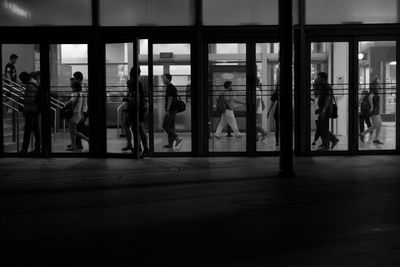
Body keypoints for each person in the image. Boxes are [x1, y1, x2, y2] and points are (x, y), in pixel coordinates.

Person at [123, 67, 149, 157]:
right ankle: (139, 148)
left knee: (139, 129)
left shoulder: (136, 84)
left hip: (137, 110)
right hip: (138, 109)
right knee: (137, 129)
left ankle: (144, 148)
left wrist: (129, 101)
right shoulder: (138, 83)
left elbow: (135, 98)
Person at [314, 72, 339, 150]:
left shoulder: (327, 86)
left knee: (323, 127)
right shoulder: (323, 86)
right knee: (322, 127)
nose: (317, 79)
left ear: (323, 78)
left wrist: (324, 110)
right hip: (322, 109)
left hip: (326, 110)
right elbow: (317, 94)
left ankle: (327, 145)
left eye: (318, 77)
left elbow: (327, 99)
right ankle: (328, 142)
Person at [18, 72, 40, 154]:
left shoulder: (30, 86)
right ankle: (37, 148)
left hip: (31, 110)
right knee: (36, 130)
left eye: (22, 80)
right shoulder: (35, 82)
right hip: (35, 109)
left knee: (27, 131)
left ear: (24, 79)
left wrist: (23, 100)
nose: (22, 82)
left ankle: (24, 149)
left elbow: (30, 99)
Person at [65, 81, 89, 151]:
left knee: (73, 131)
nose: (71, 88)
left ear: (74, 87)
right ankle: (73, 145)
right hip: (77, 113)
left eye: (72, 86)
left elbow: (72, 101)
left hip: (74, 114)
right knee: (72, 130)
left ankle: (87, 139)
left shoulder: (75, 93)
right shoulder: (81, 94)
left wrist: (65, 104)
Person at [162, 73, 183, 149]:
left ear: (168, 78)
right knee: (171, 126)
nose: (163, 80)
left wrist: (167, 109)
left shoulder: (170, 87)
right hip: (173, 109)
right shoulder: (171, 86)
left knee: (165, 125)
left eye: (164, 78)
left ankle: (177, 138)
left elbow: (170, 98)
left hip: (170, 109)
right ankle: (170, 144)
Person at [360, 78, 383, 144]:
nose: (379, 85)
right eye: (377, 84)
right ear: (374, 86)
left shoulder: (375, 93)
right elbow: (371, 104)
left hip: (376, 111)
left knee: (379, 125)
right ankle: (363, 134)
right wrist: (372, 110)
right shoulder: (372, 94)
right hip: (374, 112)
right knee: (376, 125)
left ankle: (376, 139)